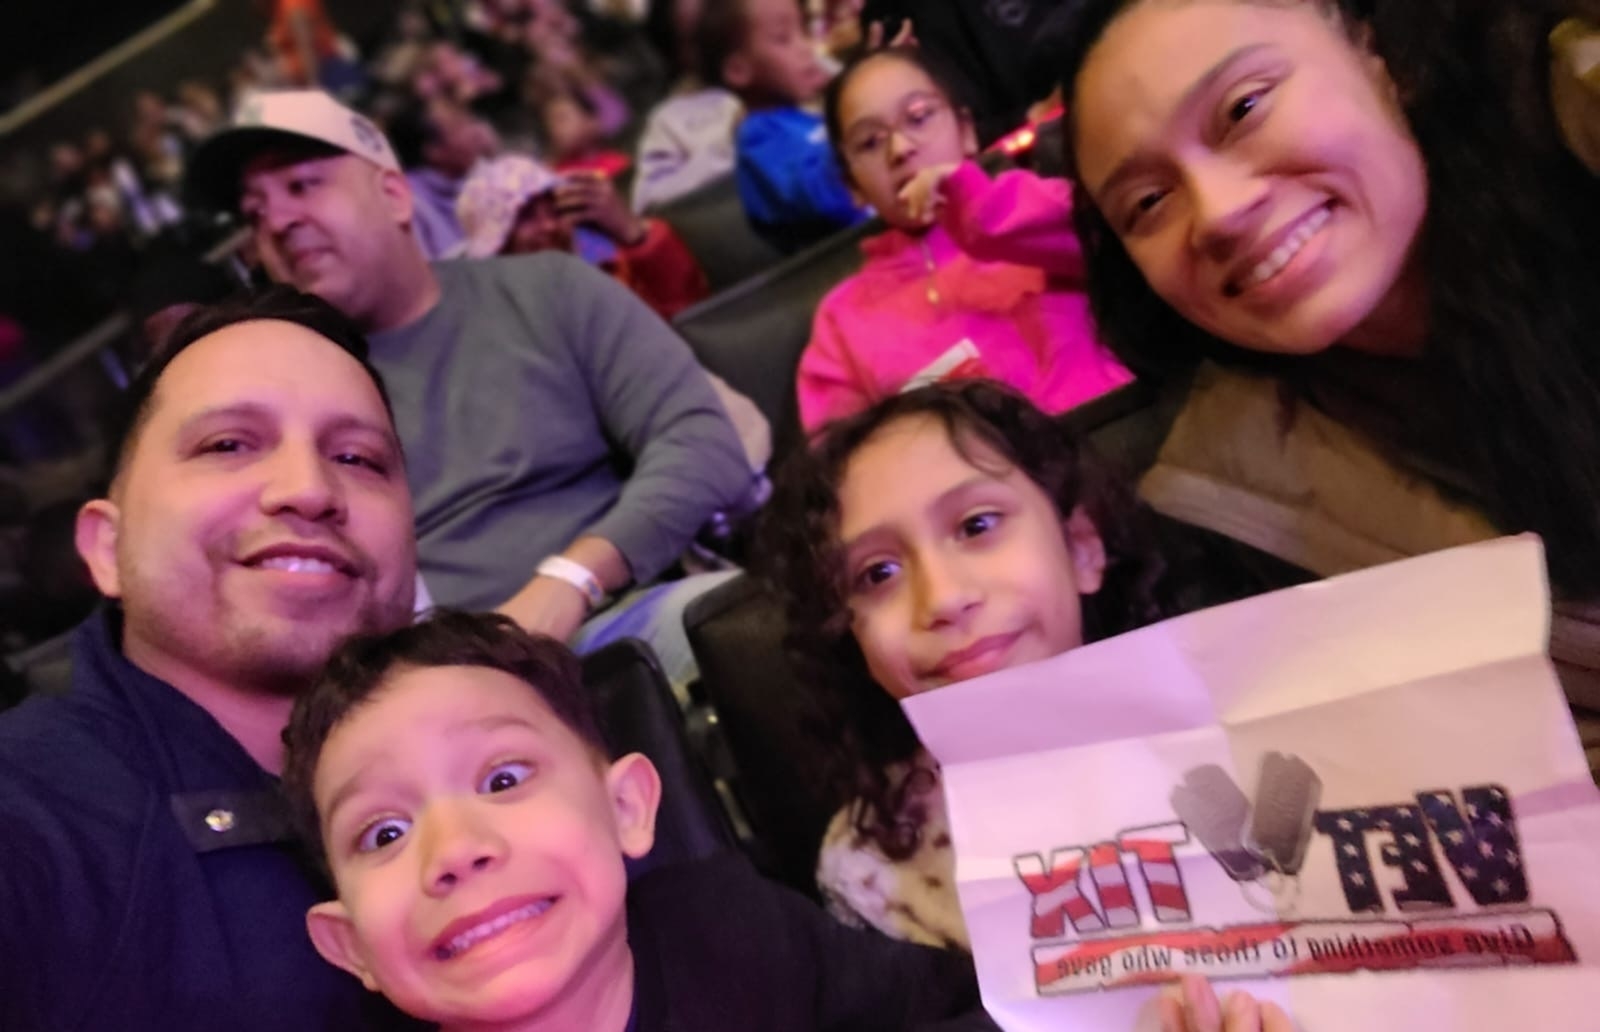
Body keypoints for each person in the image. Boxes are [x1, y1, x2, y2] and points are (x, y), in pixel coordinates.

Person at [1054, 0, 1600, 762]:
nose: (1217, 213)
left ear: (1379, 58)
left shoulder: (1575, 115)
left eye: (1243, 109)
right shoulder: (1235, 486)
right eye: (1148, 202)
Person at [185, 89, 753, 685]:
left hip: (618, 620)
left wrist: (571, 580)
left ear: (394, 195)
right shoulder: (292, 403)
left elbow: (701, 440)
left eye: (302, 185)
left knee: (742, 632)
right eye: (255, 213)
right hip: (438, 687)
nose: (277, 222)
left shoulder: (547, 292)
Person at [0, 289, 421, 1030]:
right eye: (228, 445)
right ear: (107, 549)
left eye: (357, 458)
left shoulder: (525, 743)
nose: (309, 490)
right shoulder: (33, 821)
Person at [279, 608, 1001, 1032]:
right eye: (384, 833)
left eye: (502, 779)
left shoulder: (731, 928)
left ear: (625, 807)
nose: (456, 850)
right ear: (352, 946)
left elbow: (980, 1010)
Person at [759, 379, 1180, 949]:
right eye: (878, 574)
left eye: (977, 525)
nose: (943, 598)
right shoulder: (874, 871)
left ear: (1081, 548)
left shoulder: (1249, 711)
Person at [798, 46, 1131, 431]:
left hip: (1119, 430)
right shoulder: (842, 320)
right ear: (852, 185)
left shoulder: (1034, 209)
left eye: (919, 117)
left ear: (967, 130)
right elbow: (841, 452)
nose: (900, 149)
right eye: (870, 142)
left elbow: (1114, 238)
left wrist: (976, 208)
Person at [698, 0, 870, 251]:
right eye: (783, 38)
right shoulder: (757, 136)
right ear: (739, 70)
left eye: (804, 31)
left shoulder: (806, 119)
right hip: (844, 258)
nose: (806, 48)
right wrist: (852, 104)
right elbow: (825, 195)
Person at [386, 96, 502, 259]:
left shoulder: (480, 178)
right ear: (433, 151)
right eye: (460, 127)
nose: (475, 132)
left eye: (470, 121)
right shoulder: (410, 206)